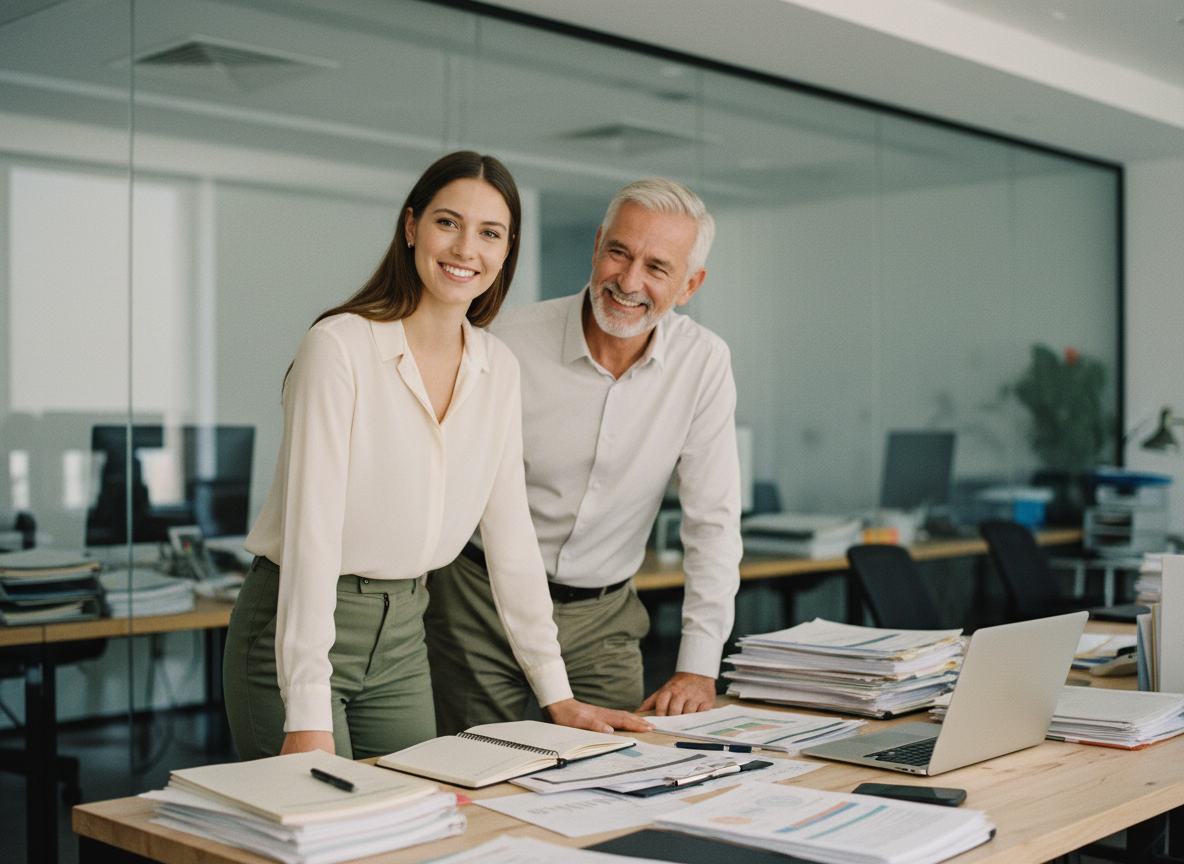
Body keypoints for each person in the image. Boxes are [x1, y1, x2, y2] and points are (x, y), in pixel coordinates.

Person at [223, 151, 651, 761]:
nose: (465, 249)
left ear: (506, 252)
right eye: (448, 223)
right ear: (411, 227)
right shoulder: (340, 346)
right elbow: (311, 537)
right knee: (323, 838)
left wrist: (557, 694)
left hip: (404, 636)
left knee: (413, 831)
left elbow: (511, 539)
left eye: (490, 233)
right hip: (297, 630)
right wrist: (307, 704)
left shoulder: (497, 367)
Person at [425, 177, 742, 734]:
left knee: (614, 775)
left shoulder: (704, 364)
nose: (629, 280)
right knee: (473, 765)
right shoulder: (506, 340)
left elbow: (712, 522)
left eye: (657, 268)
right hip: (479, 602)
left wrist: (697, 667)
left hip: (603, 617)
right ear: (597, 246)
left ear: (690, 285)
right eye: (619, 252)